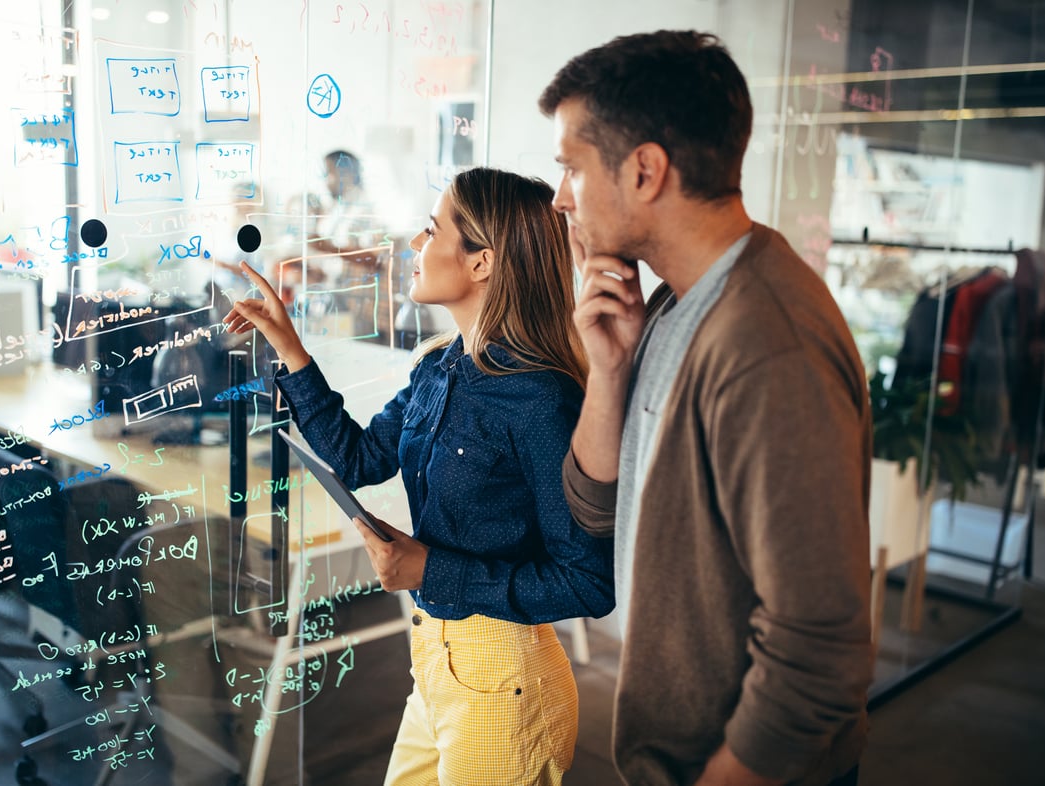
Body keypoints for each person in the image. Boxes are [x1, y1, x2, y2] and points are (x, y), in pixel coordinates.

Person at [539, 30, 873, 786]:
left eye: (572, 167)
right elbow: (595, 511)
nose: (561, 196)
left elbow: (820, 651)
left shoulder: (764, 343)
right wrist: (610, 368)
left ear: (646, 170)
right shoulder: (670, 305)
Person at [223, 166, 615, 785]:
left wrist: (430, 568)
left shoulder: (541, 399)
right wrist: (289, 346)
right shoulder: (438, 367)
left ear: (481, 262)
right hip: (433, 659)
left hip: (504, 681)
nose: (413, 245)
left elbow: (589, 584)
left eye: (432, 231)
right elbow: (358, 459)